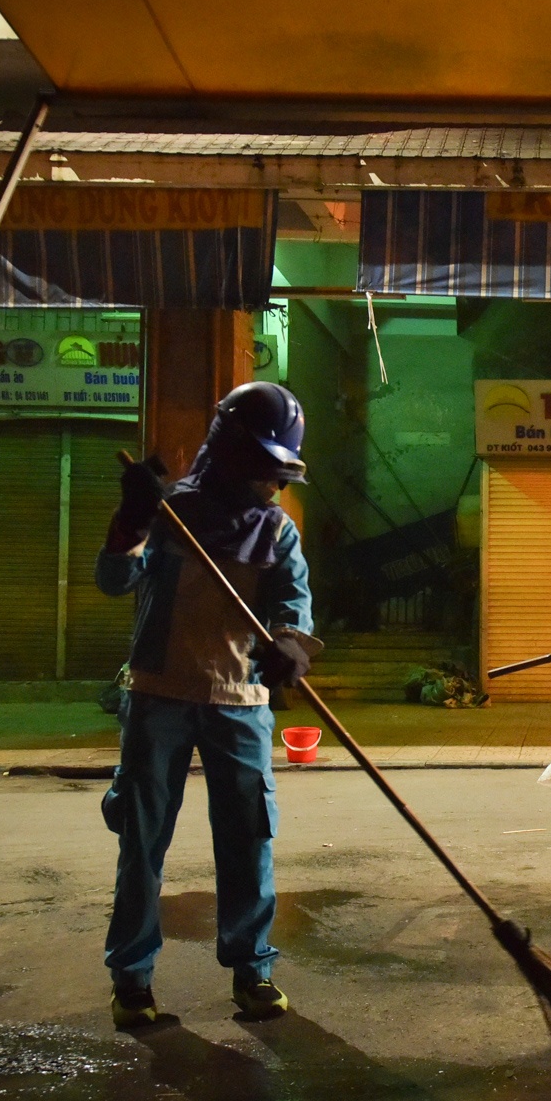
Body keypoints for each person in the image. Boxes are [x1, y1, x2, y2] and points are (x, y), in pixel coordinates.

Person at [96, 382, 318, 1029]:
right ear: (228, 451)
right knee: (142, 842)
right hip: (157, 695)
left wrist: (290, 646)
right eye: (264, 467)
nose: (273, 484)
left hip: (239, 703)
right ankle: (131, 980)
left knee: (248, 841)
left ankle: (252, 969)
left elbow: (292, 607)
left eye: (281, 471)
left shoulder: (277, 532)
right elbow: (113, 580)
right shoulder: (169, 514)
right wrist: (131, 522)